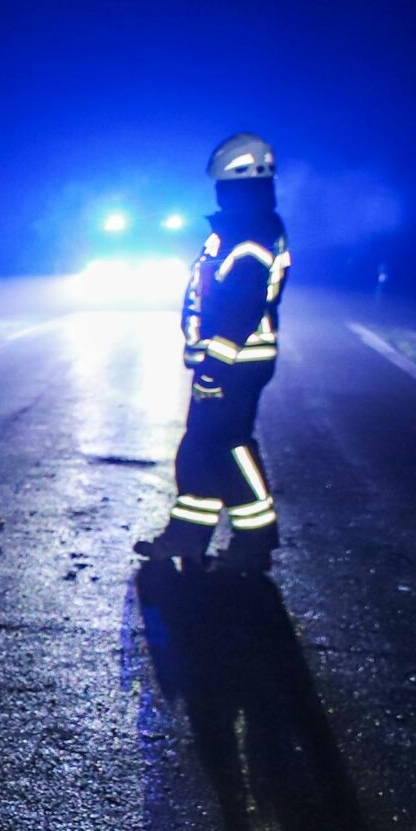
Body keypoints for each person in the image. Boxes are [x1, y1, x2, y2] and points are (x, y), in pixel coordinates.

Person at [137, 133, 290, 572]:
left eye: (223, 185)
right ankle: (187, 535)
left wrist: (214, 367)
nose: (218, 194)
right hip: (228, 361)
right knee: (200, 449)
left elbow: (242, 307)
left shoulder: (249, 233)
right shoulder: (241, 227)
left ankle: (256, 539)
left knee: (227, 447)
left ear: (234, 185)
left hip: (235, 363)